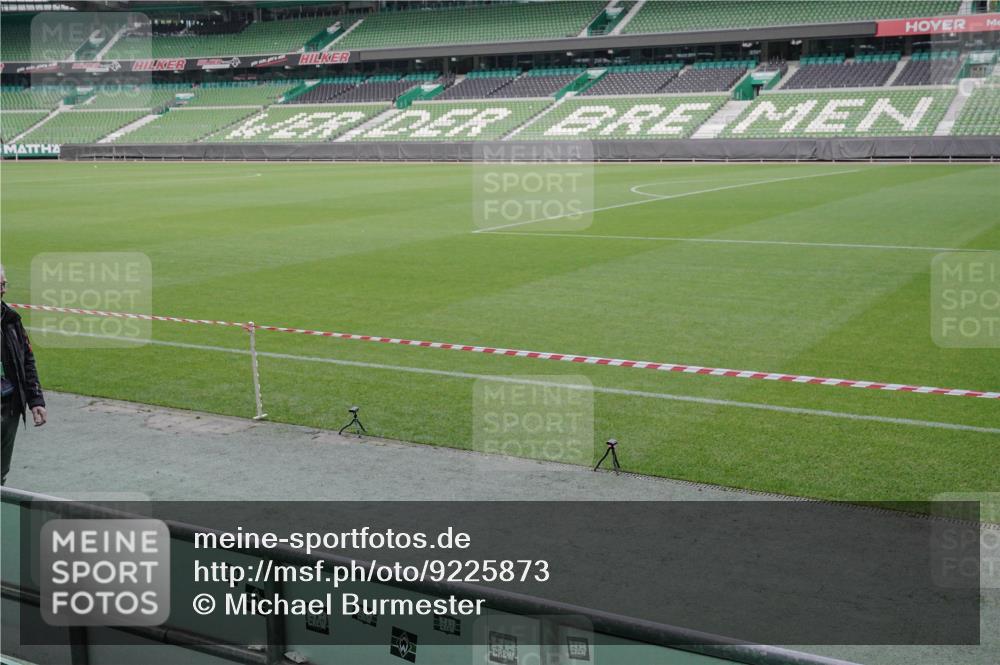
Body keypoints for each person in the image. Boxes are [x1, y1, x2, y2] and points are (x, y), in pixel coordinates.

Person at [1, 264, 46, 485]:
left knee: (1, 469)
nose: (2, 290)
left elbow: (27, 360)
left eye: (3, 284)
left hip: (9, 408)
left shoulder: (12, 320)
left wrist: (35, 400)